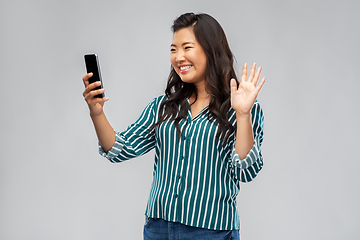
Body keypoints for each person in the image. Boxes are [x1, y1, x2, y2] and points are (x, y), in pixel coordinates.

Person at [82, 12, 266, 240]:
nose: (178, 57)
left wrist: (243, 114)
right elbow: (120, 149)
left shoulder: (240, 107)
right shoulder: (163, 107)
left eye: (187, 47)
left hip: (211, 231)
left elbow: (245, 170)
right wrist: (96, 112)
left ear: (211, 50)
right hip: (159, 229)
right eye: (173, 49)